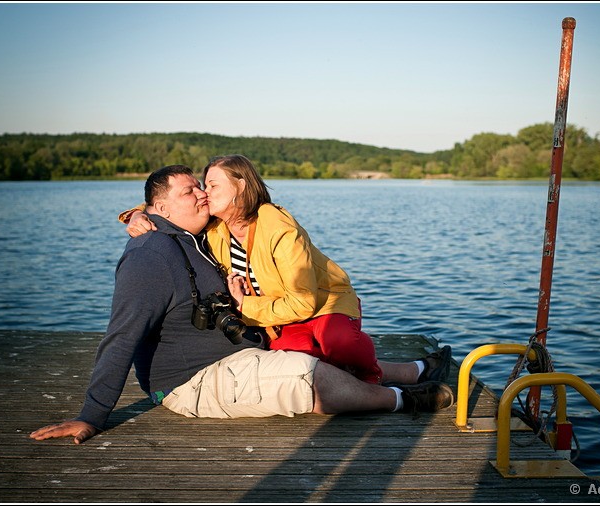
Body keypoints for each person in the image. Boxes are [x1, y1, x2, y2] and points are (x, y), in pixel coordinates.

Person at [30, 165, 454, 445]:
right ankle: (401, 399)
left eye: (202, 187)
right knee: (304, 372)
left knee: (314, 348)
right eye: (190, 191)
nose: (201, 195)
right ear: (161, 208)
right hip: (193, 381)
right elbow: (122, 335)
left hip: (238, 353)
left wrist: (135, 214)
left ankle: (416, 369)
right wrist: (93, 415)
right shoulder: (150, 256)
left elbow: (163, 210)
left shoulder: (195, 236)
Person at [121, 154, 452, 386]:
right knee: (296, 360)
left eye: (212, 186)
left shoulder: (277, 226)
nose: (204, 194)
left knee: (338, 343)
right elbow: (171, 205)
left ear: (241, 187)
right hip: (277, 314)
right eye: (202, 187)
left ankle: (374, 380)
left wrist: (245, 306)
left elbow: (304, 302)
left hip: (322, 302)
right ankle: (413, 371)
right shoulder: (214, 225)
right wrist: (137, 215)